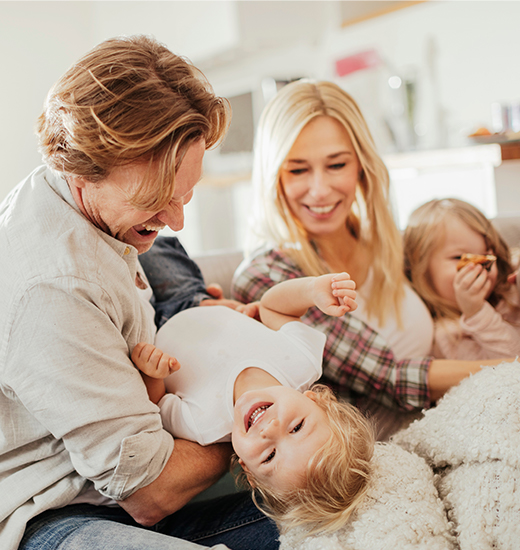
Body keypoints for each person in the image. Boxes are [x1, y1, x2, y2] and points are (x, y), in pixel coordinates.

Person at [0, 35, 279, 550]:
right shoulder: (55, 288)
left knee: (347, 508)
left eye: (185, 195)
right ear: (80, 168)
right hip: (48, 515)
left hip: (115, 483)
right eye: (155, 200)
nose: (175, 220)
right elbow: (151, 494)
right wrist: (263, 425)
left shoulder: (83, 204)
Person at [230, 79, 513, 436]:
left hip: (457, 418)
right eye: (298, 169)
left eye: (336, 165)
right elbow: (390, 378)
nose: (319, 190)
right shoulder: (269, 276)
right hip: (376, 452)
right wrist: (512, 368)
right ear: (274, 177)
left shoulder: (394, 248)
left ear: (362, 166)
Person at [132, 272, 374, 535]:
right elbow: (271, 306)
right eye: (296, 428)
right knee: (166, 255)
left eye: (269, 456)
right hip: (192, 297)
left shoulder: (202, 426)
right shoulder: (302, 361)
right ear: (315, 399)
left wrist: (152, 372)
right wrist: (311, 289)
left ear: (247, 469)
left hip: (147, 324)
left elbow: (157, 404)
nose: (269, 430)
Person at [403, 198, 520, 359]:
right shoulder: (447, 335)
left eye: (486, 255)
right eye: (460, 257)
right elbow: (511, 365)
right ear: (420, 270)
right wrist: (476, 312)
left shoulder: (508, 289)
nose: (480, 267)